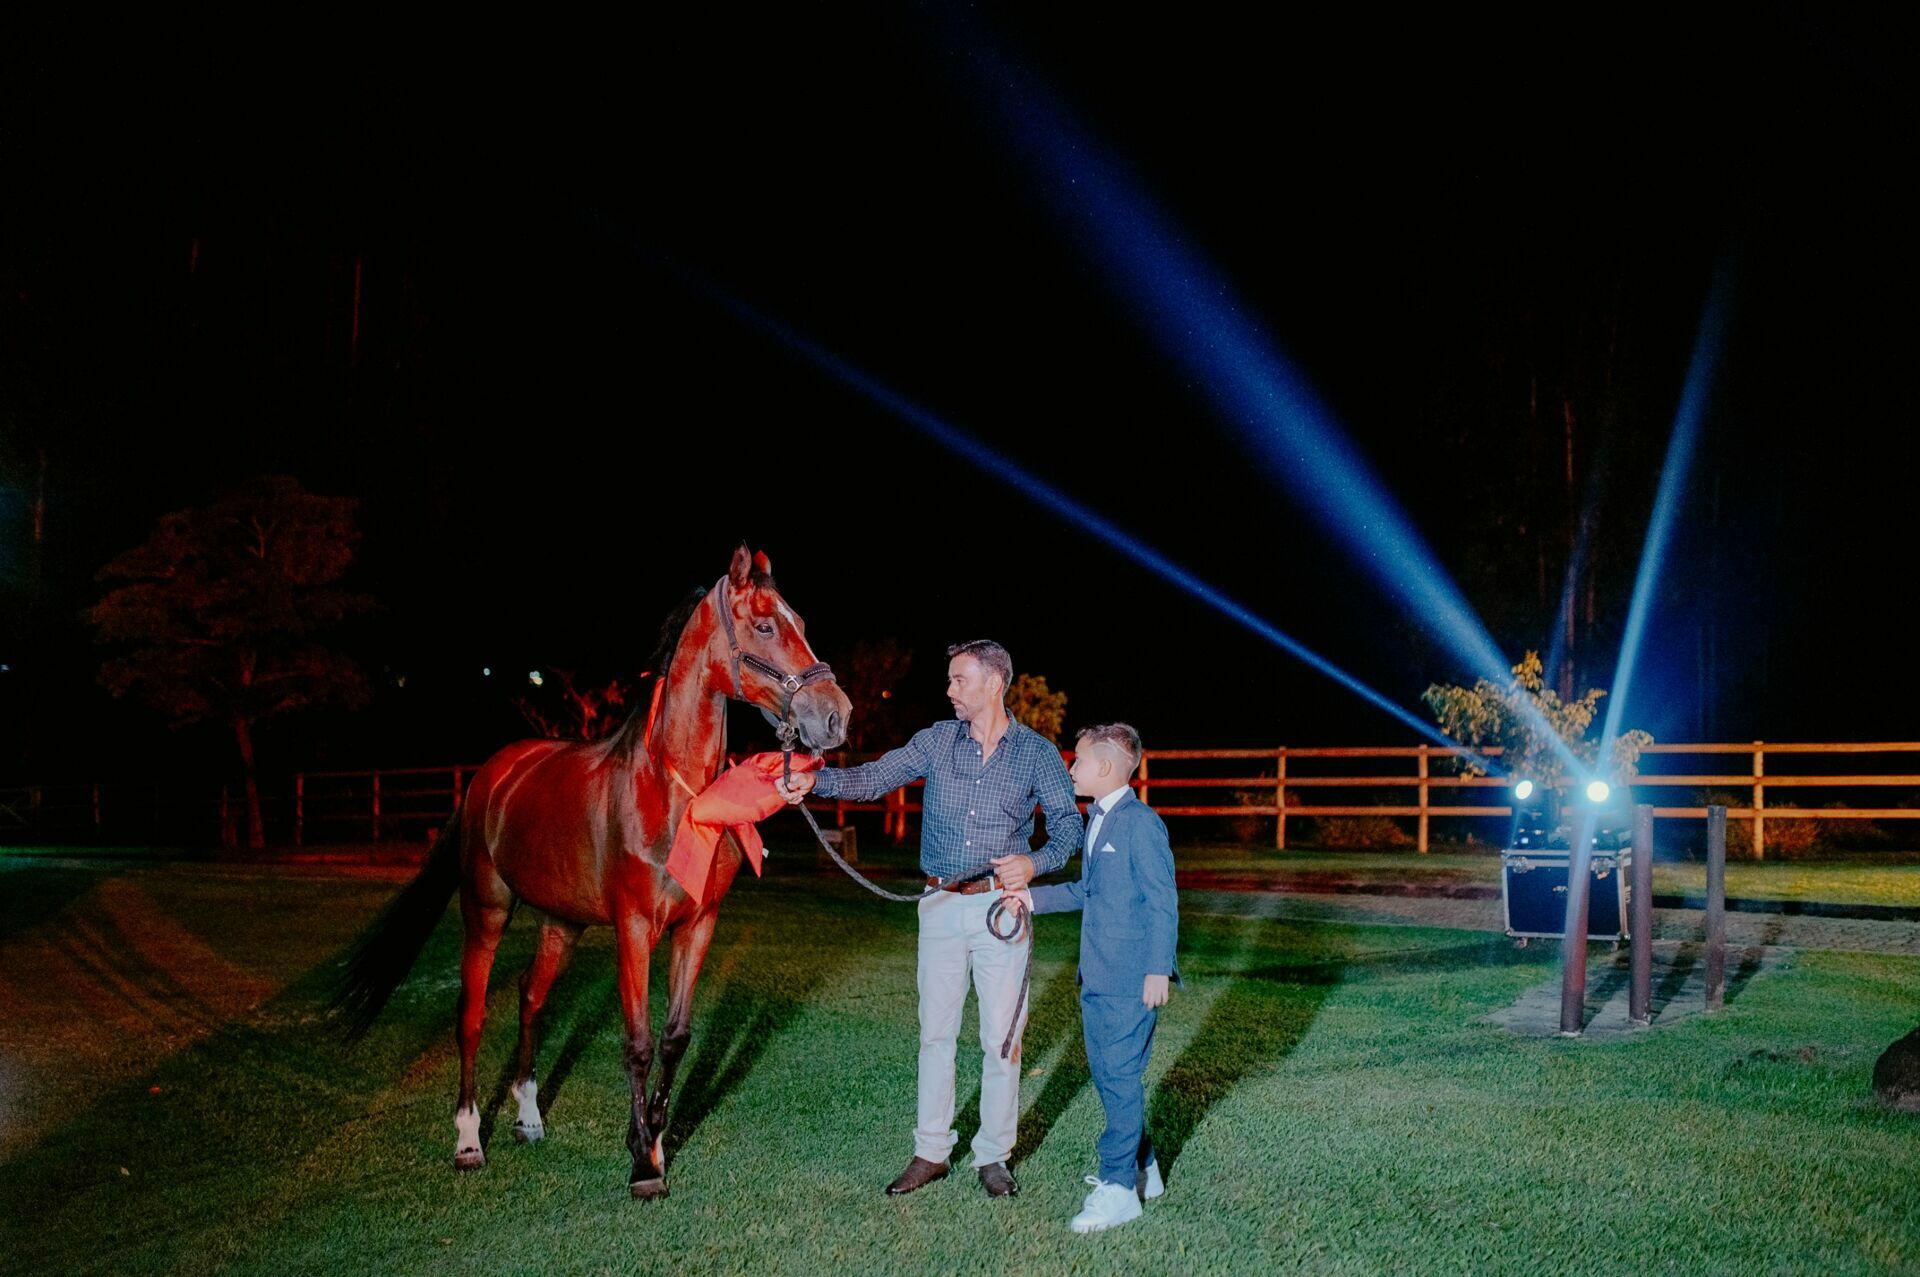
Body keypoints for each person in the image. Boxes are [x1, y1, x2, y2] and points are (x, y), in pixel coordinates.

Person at [778, 639, 1080, 1198]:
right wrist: (815, 781)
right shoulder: (937, 741)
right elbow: (873, 778)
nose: (949, 690)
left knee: (1001, 1039)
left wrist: (1032, 863)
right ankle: (931, 1151)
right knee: (935, 1034)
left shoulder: (1037, 754)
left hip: (999, 910)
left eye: (959, 680)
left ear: (994, 683)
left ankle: (993, 1156)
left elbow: (1068, 828)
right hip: (938, 905)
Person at [1019, 722, 1178, 1233]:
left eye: (1079, 760)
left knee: (1119, 1076)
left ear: (1106, 768)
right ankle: (1144, 1167)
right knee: (1112, 1076)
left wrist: (1158, 968)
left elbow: (1162, 900)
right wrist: (1027, 900)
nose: (1071, 768)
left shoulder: (1140, 823)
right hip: (1097, 977)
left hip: (1131, 979)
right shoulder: (1099, 820)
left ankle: (1117, 1189)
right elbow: (1088, 890)